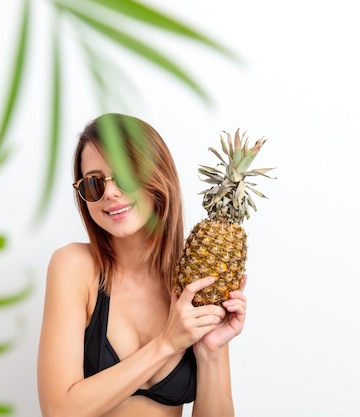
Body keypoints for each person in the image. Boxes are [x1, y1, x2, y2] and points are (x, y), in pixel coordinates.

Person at [37, 113, 247, 417]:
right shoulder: (74, 267)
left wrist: (210, 352)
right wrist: (166, 343)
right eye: (94, 183)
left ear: (157, 176)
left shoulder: (197, 279)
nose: (109, 192)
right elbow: (59, 411)